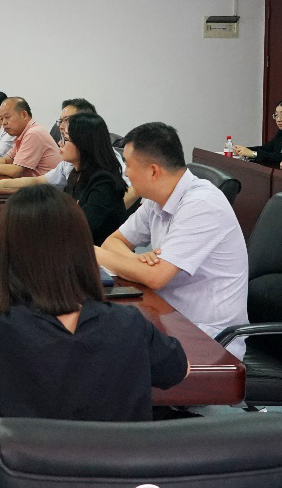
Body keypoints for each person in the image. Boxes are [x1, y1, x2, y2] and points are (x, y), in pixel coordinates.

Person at [0, 184, 186, 437]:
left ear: (5, 255)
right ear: (84, 251)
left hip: (17, 463)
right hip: (115, 463)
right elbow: (177, 369)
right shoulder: (129, 323)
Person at [94, 122, 249, 358]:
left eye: (128, 164)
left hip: (208, 338)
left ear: (153, 171)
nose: (125, 173)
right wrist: (137, 262)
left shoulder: (201, 204)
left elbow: (155, 277)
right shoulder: (156, 199)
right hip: (168, 317)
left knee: (102, 354)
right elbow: (113, 242)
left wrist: (91, 252)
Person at [0, 98, 101, 193]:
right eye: (60, 121)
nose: (61, 127)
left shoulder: (100, 175)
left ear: (86, 122)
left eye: (67, 120)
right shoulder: (67, 164)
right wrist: (1, 183)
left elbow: (15, 171)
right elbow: (38, 181)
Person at [56, 113, 128, 244]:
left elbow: (82, 227)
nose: (60, 143)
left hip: (101, 252)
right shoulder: (75, 174)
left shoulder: (104, 181)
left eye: (65, 139)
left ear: (83, 144)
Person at [0, 97, 61, 178]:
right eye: (1, 119)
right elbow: (7, 160)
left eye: (7, 117)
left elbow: (15, 171)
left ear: (24, 115)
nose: (4, 123)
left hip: (44, 189)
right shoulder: (22, 134)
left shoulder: (33, 133)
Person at [233, 98, 282, 167]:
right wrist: (242, 150)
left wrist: (253, 154)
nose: (278, 119)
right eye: (276, 115)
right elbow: (266, 149)